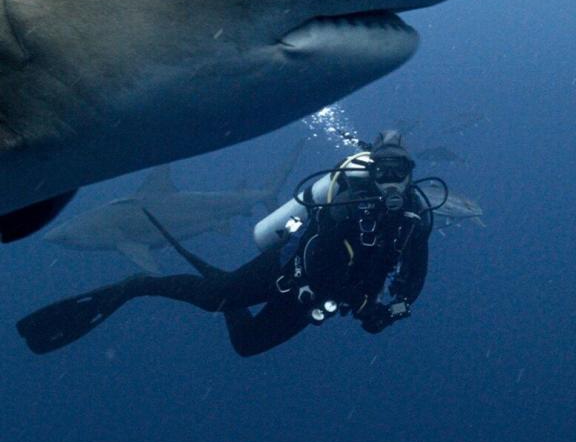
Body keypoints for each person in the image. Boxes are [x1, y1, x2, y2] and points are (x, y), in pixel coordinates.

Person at [17, 131, 444, 357]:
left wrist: (397, 307)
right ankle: (136, 286)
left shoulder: (415, 217)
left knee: (247, 346)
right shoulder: (348, 202)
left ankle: (226, 289)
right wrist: (358, 299)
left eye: (399, 170)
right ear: (374, 171)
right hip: (287, 272)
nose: (391, 179)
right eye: (384, 169)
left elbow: (414, 274)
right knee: (215, 300)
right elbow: (319, 255)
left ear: (410, 172)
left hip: (321, 298)